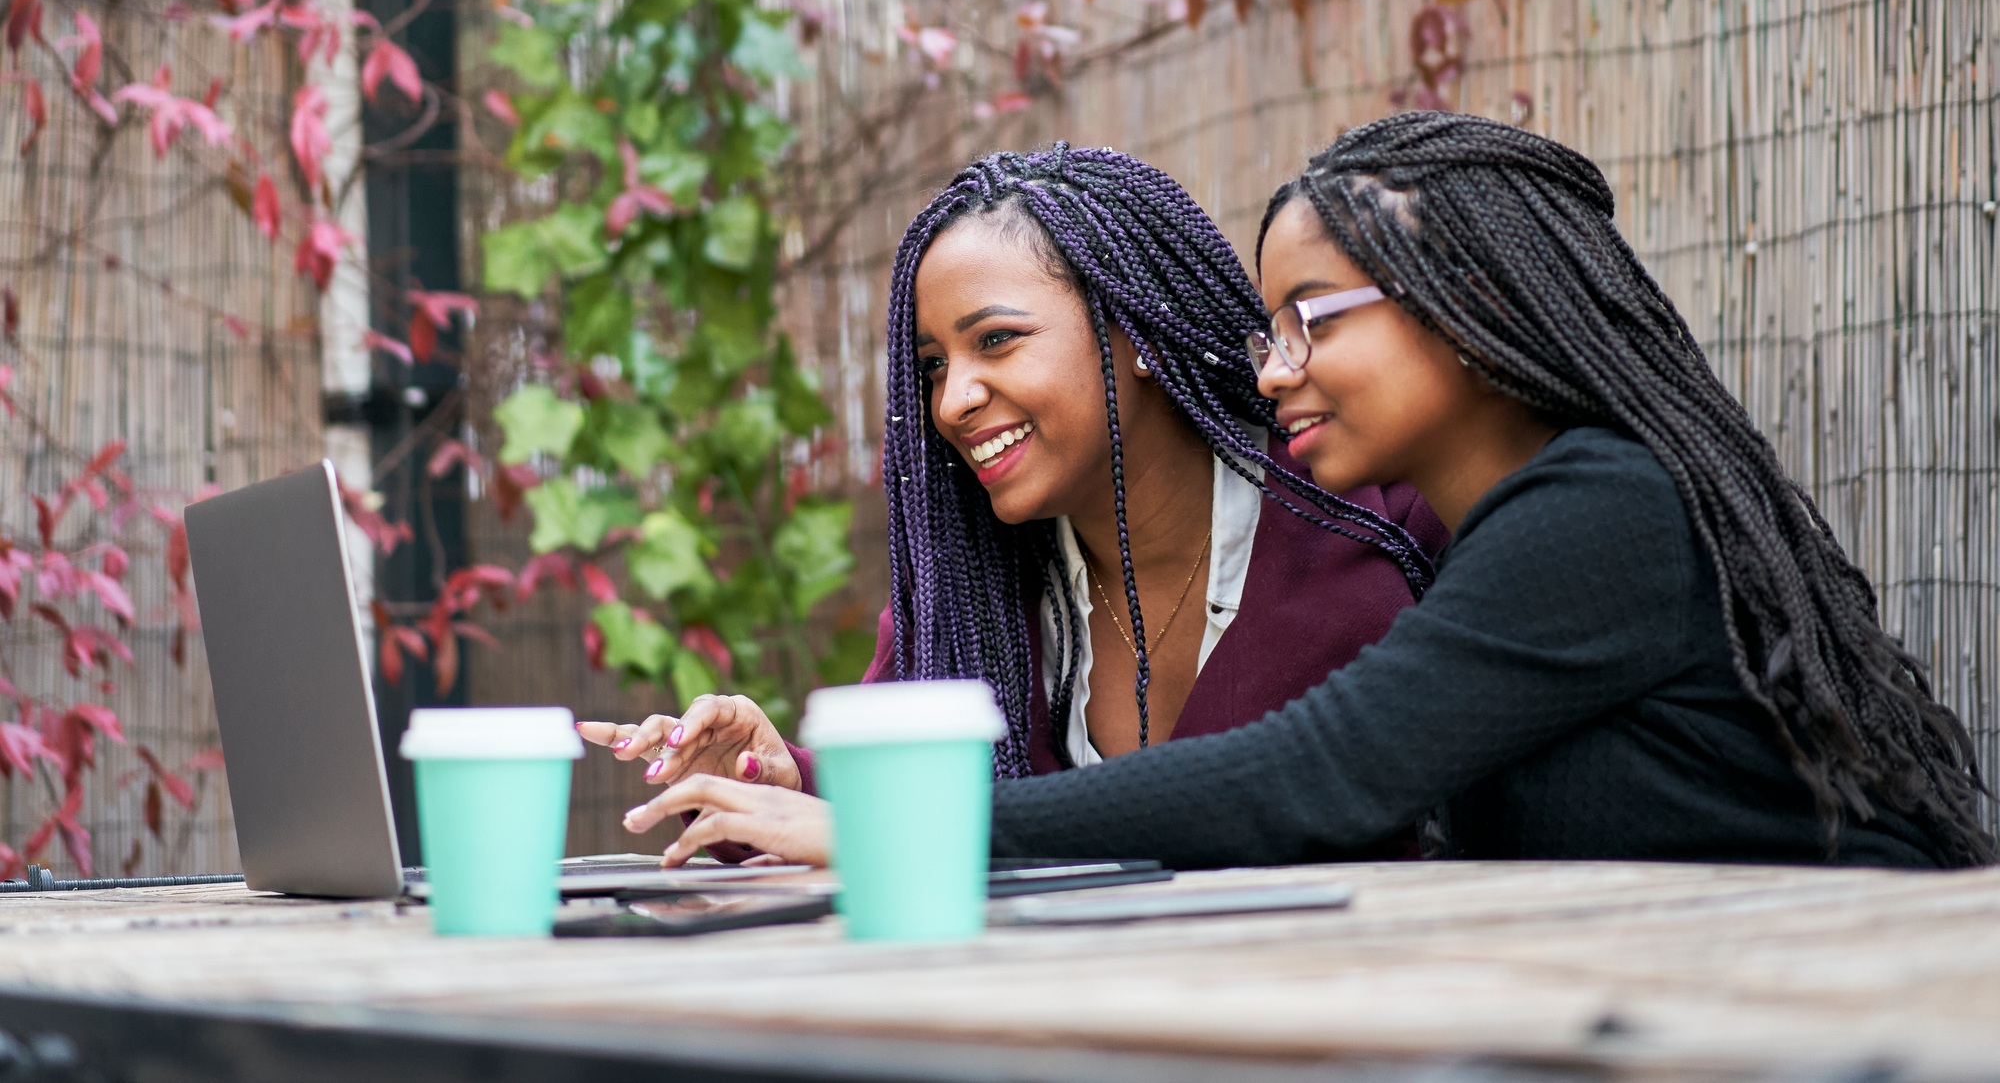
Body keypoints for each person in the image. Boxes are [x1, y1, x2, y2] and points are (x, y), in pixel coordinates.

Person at [631, 113, 1995, 870]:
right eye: (935, 364)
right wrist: (794, 781)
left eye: (1309, 318)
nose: (1269, 362)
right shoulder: (1508, 532)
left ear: (1465, 305)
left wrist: (883, 832)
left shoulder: (1588, 516)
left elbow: (1320, 776)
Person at [588, 143, 1445, 815]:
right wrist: (781, 777)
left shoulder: (1375, 518)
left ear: (1135, 330)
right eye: (931, 367)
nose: (954, 399)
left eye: (995, 340)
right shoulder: (966, 591)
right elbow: (899, 793)